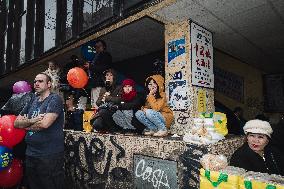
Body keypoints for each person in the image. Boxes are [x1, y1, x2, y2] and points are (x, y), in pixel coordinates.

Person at [14, 73, 65, 189]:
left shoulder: (54, 99)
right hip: (31, 153)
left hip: (49, 155)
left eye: (40, 81)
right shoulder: (32, 101)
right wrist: (34, 120)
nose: (36, 83)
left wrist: (25, 125)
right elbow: (16, 123)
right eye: (35, 81)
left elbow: (44, 124)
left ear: (49, 84)